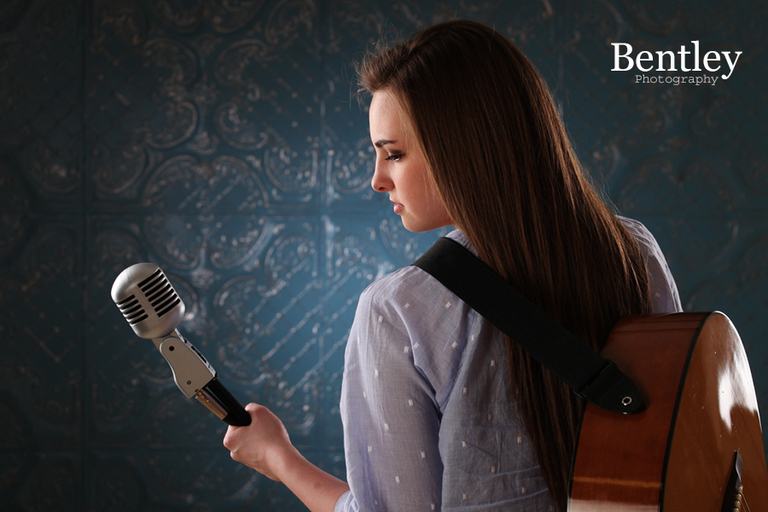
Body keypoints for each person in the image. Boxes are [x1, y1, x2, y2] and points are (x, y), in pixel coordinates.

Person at [223, 19, 682, 512]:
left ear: (465, 148)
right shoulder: (633, 251)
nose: (377, 180)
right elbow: (680, 442)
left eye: (393, 154)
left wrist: (279, 459)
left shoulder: (398, 310)